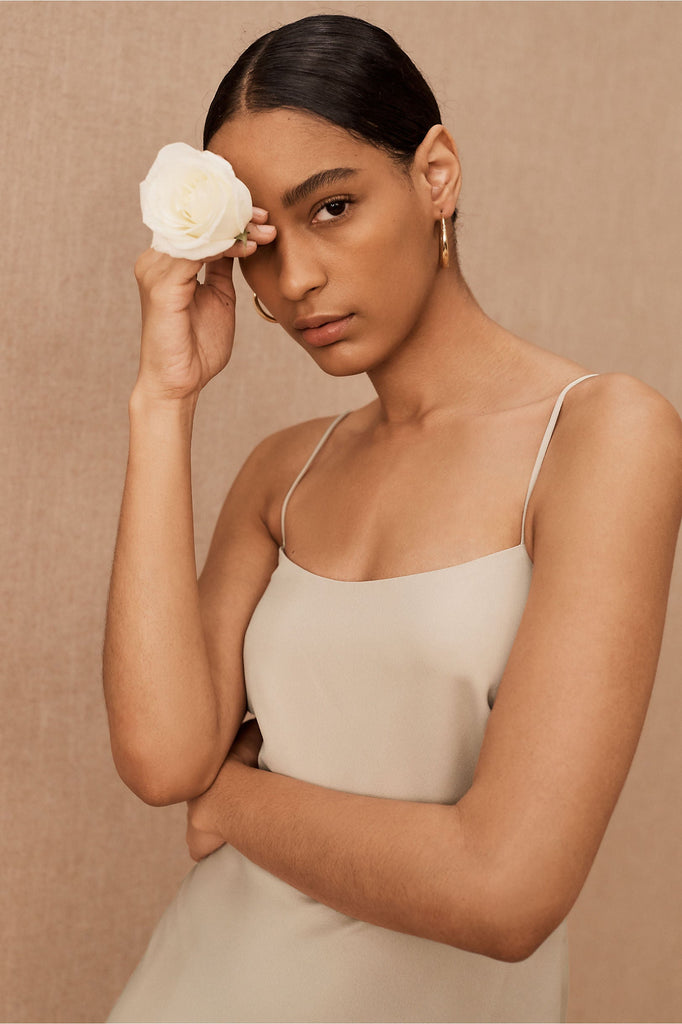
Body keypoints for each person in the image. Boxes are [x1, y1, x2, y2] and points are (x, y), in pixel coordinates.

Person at [103, 13, 682, 1024]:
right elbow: (161, 757)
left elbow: (505, 892)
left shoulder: (602, 437)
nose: (295, 281)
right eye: (261, 242)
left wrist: (231, 798)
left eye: (332, 207)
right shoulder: (284, 473)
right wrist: (164, 400)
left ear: (435, 174)